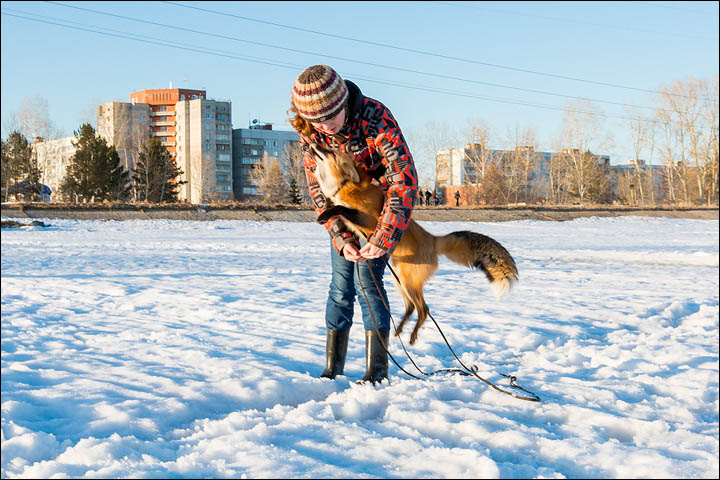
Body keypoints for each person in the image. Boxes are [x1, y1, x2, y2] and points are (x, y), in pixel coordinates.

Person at [288, 65, 418, 384]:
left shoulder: (376, 118)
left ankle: (377, 371)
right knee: (340, 288)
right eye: (316, 121)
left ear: (343, 103)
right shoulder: (312, 132)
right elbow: (319, 189)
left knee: (367, 282)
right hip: (343, 215)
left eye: (329, 117)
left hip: (378, 212)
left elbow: (403, 180)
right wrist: (341, 237)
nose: (324, 126)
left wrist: (383, 238)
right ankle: (333, 368)